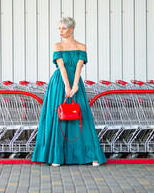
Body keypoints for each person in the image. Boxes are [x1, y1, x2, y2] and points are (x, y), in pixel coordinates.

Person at [32, 17, 107, 166]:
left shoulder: (81, 46)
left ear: (71, 29)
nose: (60, 31)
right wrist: (68, 86)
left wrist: (76, 86)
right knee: (58, 116)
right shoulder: (57, 46)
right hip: (60, 82)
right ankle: (56, 157)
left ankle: (90, 155)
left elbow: (79, 67)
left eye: (63, 28)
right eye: (59, 28)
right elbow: (61, 67)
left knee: (80, 117)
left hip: (75, 82)